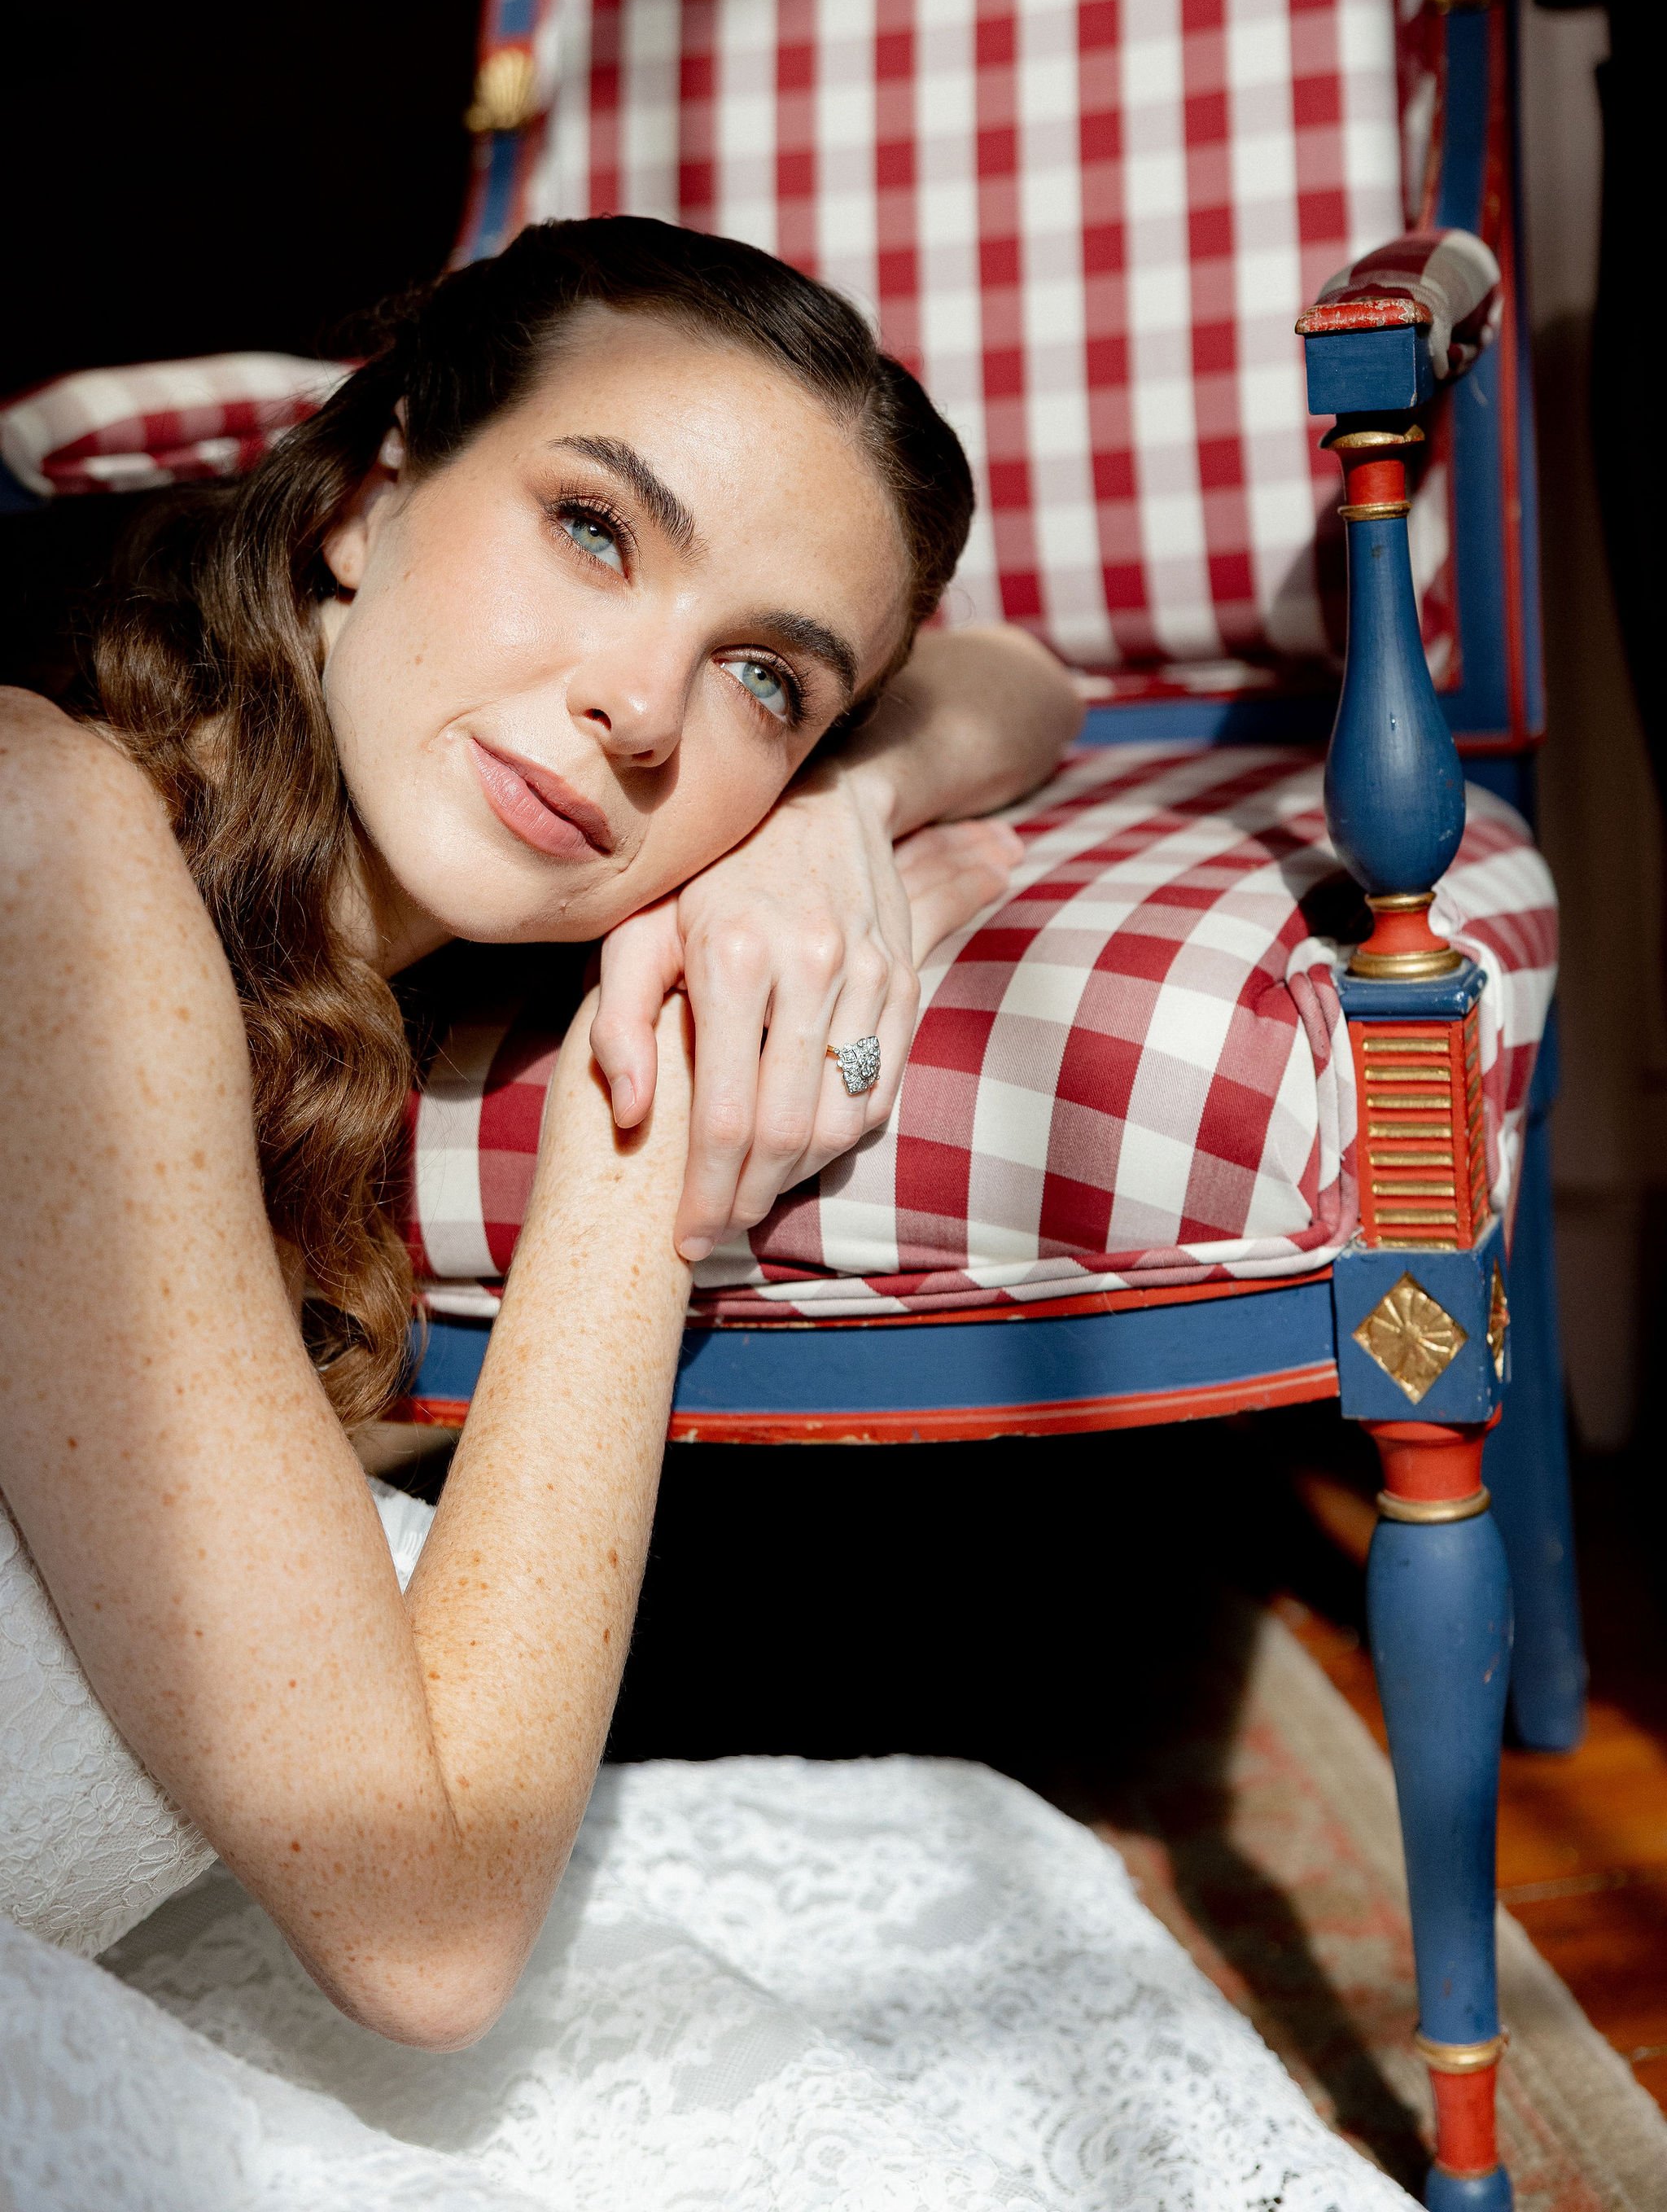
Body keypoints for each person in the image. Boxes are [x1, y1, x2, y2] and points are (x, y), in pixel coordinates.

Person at [0, 217, 1406, 2209]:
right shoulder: (52, 845)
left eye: (764, 677)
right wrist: (644, 1143)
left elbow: (1020, 681)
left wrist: (832, 819)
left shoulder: (278, 940)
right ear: (370, 494)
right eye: (593, 528)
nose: (645, 712)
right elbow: (427, 1926)